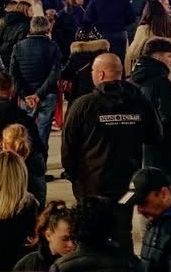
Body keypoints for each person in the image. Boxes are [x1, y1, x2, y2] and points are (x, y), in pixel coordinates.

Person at [61, 53, 160, 245]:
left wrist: (75, 177)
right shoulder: (139, 101)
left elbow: (68, 148)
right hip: (127, 185)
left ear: (100, 74)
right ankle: (124, 270)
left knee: (91, 233)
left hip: (92, 185)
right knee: (122, 230)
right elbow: (155, 136)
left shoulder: (83, 105)